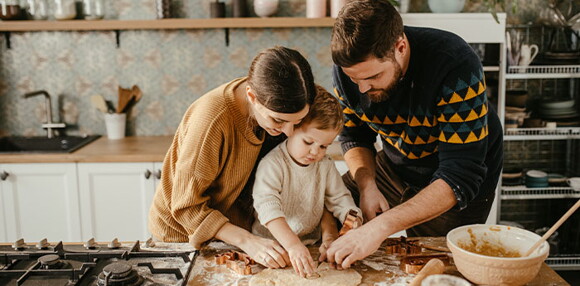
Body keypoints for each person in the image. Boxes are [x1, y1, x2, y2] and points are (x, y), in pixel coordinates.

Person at [325, 0, 504, 268]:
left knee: (431, 269)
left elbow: (459, 176)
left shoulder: (455, 65)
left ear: (400, 47)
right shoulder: (349, 71)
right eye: (354, 79)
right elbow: (354, 136)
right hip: (396, 162)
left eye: (373, 77)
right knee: (325, 204)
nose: (362, 89)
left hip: (456, 178)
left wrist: (380, 227)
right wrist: (367, 185)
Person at [148, 46, 318, 270]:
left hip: (228, 235)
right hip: (179, 238)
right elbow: (184, 206)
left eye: (296, 122)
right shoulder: (212, 120)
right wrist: (248, 241)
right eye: (278, 121)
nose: (288, 132)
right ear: (251, 97)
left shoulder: (279, 99)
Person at [251, 87, 363, 277]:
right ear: (292, 128)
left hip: (310, 247)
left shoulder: (325, 165)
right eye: (308, 142)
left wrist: (352, 221)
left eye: (324, 146)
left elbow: (340, 199)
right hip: (272, 248)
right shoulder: (272, 164)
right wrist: (292, 245)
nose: (315, 152)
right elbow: (267, 208)